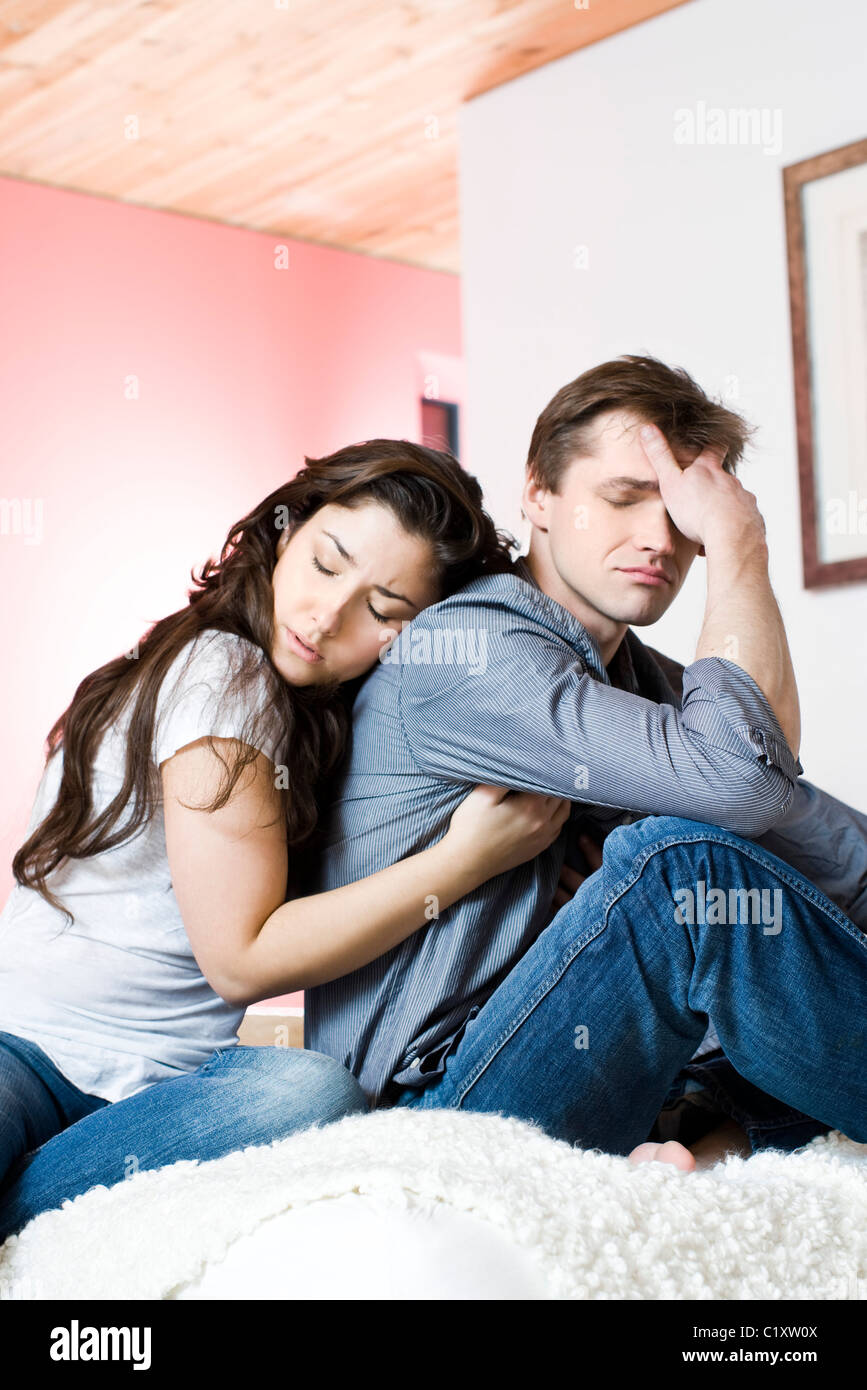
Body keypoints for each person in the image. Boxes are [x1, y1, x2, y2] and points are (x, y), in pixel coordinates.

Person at [300, 355, 867, 1168]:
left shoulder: (648, 684)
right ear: (537, 495)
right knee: (680, 871)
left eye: (685, 516)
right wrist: (743, 545)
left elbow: (809, 830)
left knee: (781, 933)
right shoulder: (467, 653)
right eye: (623, 498)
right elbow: (740, 784)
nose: (657, 539)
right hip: (434, 1113)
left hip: (592, 1067)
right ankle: (710, 1133)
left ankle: (702, 1141)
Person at [0, 440, 573, 1243]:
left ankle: (34, 1206)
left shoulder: (293, 715)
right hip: (23, 1047)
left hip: (150, 1092)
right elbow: (241, 960)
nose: (325, 615)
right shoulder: (224, 671)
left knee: (308, 1091)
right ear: (284, 530)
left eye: (383, 610)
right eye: (325, 562)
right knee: (306, 1096)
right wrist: (465, 860)